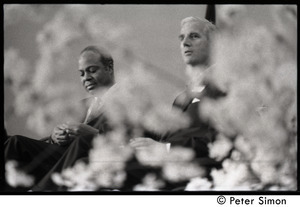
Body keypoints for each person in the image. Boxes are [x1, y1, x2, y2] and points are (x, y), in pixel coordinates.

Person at [4, 45, 115, 191]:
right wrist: (55, 137)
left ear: (109, 68)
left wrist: (93, 135)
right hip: (63, 157)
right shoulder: (81, 106)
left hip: (92, 160)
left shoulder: (130, 103)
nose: (86, 78)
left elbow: (135, 141)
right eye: (81, 74)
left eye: (92, 70)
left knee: (16, 145)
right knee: (12, 144)